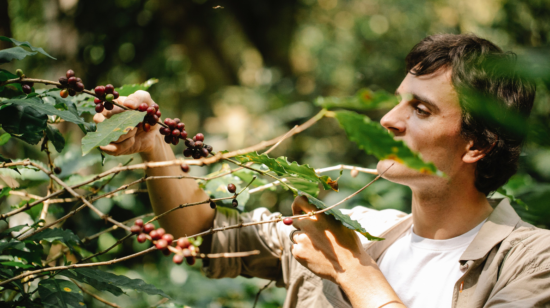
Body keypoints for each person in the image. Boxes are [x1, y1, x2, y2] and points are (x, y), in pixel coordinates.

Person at [94, 33, 550, 308]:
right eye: (399, 99)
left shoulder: (533, 261)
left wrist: (355, 274)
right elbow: (205, 236)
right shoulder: (360, 231)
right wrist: (153, 145)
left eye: (422, 110)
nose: (389, 119)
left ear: (477, 144)